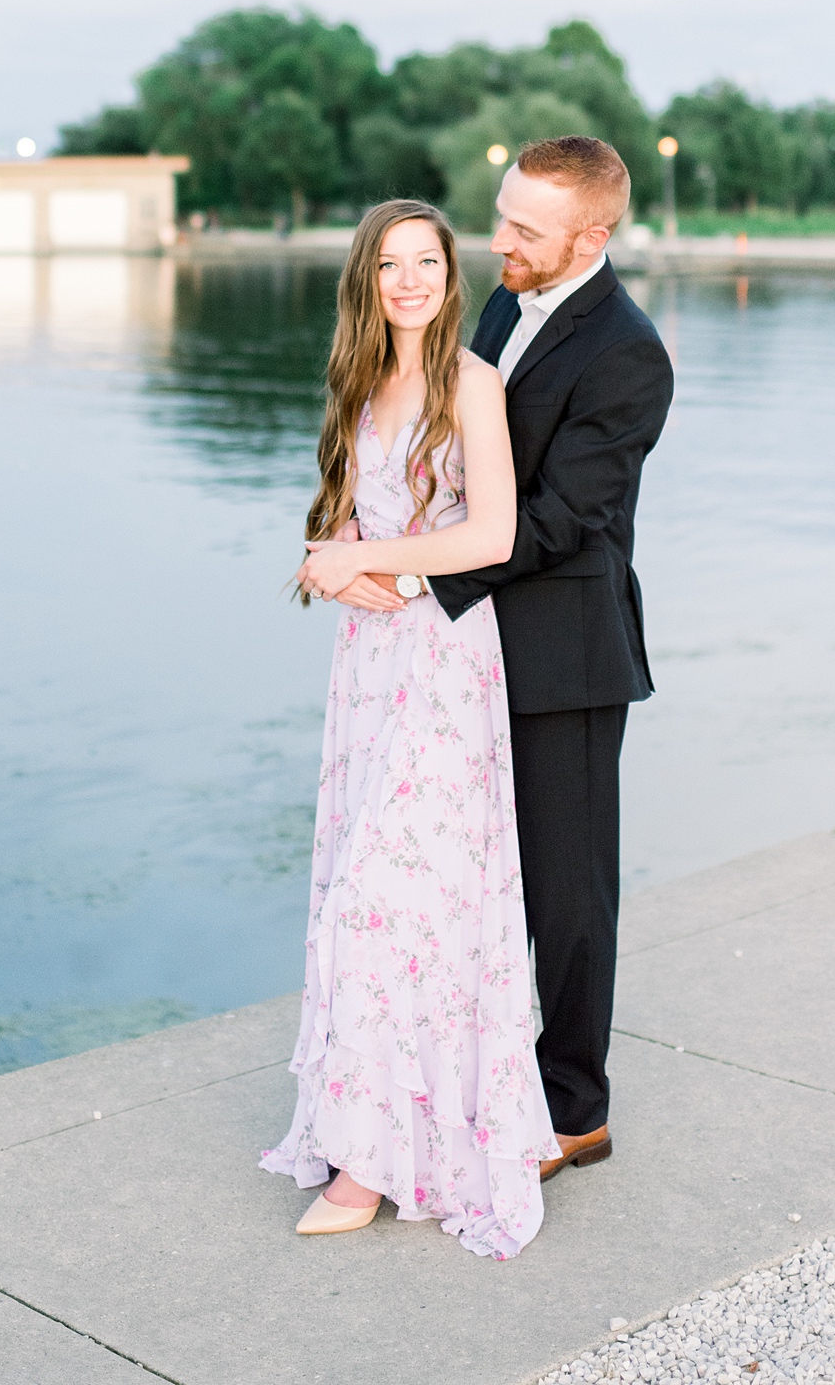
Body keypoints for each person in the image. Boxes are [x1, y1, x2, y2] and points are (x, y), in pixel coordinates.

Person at [261, 199, 559, 1257]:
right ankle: (384, 1133)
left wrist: (381, 565)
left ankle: (366, 1166)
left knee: (384, 904)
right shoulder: (356, 380)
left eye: (426, 261)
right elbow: (345, 514)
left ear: (450, 272)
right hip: (369, 666)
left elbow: (493, 530)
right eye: (389, 265)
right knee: (386, 899)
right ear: (368, 279)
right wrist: (332, 556)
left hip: (442, 660)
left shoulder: (471, 383)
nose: (408, 281)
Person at [432, 137, 673, 1178]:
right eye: (501, 216)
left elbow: (567, 517)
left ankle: (576, 1111)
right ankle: (480, 1073)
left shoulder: (630, 352)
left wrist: (425, 577)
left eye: (525, 230)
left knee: (569, 896)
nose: (500, 243)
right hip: (475, 645)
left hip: (567, 655)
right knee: (479, 877)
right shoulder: (499, 304)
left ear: (594, 234)